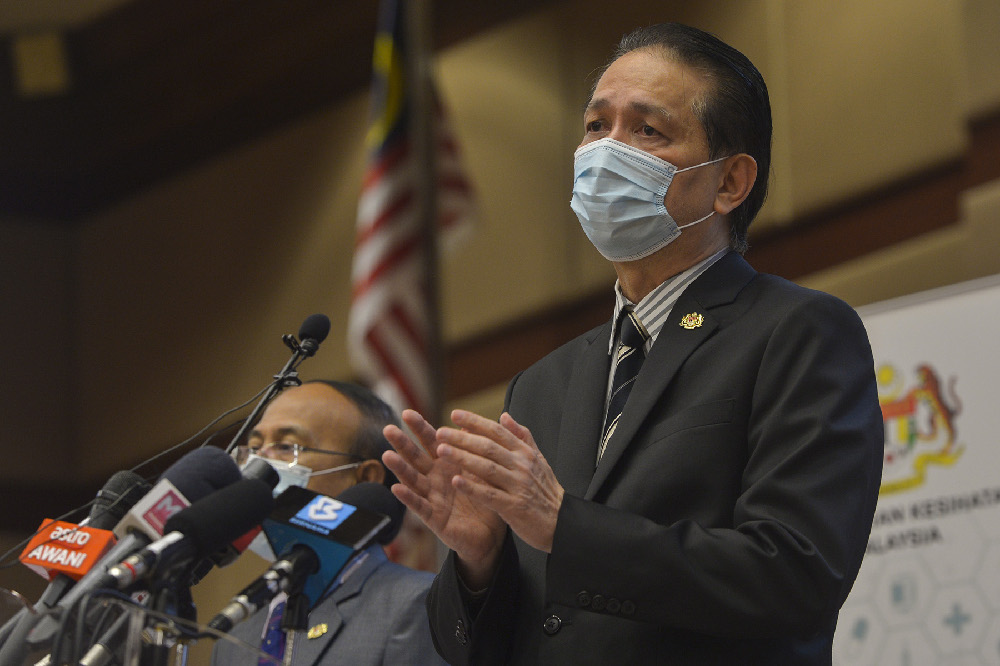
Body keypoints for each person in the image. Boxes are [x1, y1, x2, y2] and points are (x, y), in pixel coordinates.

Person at [382, 23, 883, 665]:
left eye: (647, 131)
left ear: (730, 182)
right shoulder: (543, 384)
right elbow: (488, 642)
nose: (607, 152)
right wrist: (480, 563)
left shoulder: (798, 332)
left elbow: (795, 576)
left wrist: (566, 528)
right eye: (596, 126)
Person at [212, 380, 446, 665]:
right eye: (254, 448)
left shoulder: (417, 603)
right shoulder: (235, 631)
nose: (257, 467)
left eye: (286, 446)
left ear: (364, 477)